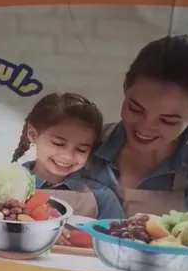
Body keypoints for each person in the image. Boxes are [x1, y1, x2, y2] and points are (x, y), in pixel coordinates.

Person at [85, 35, 188, 248]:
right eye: (135, 108)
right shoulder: (84, 144)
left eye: (168, 120)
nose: (144, 126)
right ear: (126, 87)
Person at [12, 92, 124, 220]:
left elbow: (115, 238)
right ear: (33, 134)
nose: (68, 156)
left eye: (81, 150)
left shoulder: (103, 197)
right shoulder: (1, 187)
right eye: (58, 144)